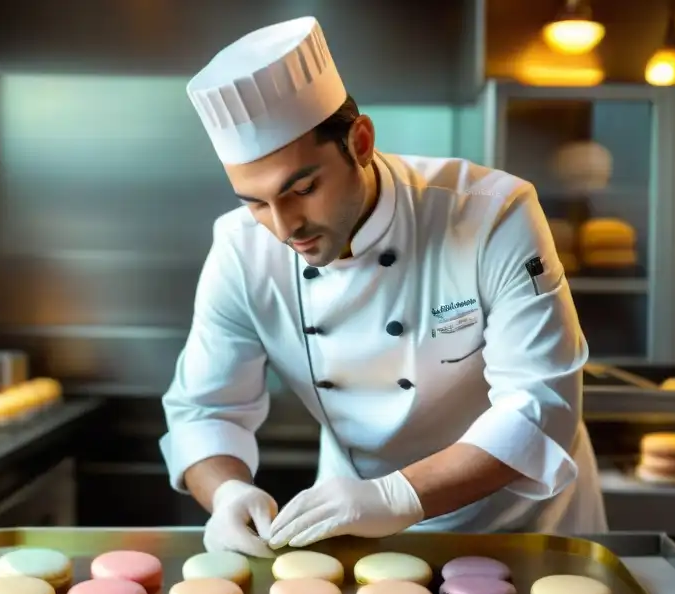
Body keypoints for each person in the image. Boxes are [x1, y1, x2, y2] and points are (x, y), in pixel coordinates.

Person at [160, 17, 606, 559]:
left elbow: (541, 403)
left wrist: (397, 495)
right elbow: (206, 410)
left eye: (302, 188)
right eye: (254, 202)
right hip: (352, 520)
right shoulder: (240, 250)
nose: (283, 227)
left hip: (522, 521)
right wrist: (227, 492)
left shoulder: (492, 214)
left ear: (361, 142)